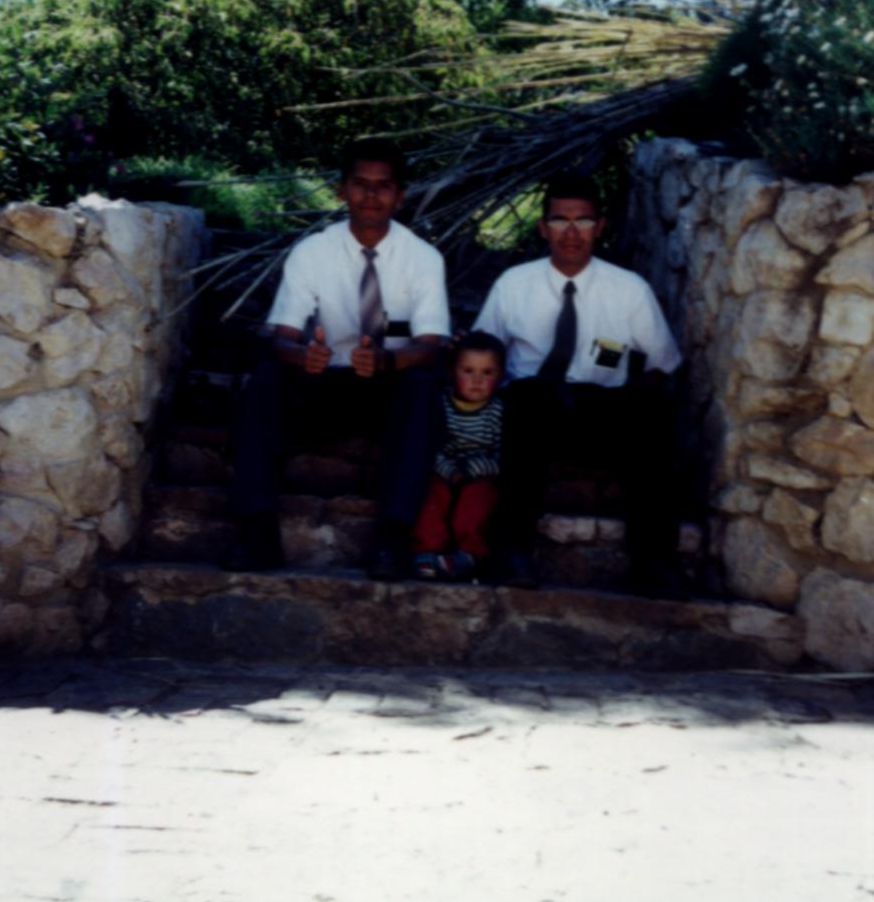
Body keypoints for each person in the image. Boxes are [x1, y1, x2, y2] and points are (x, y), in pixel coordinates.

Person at [223, 137, 448, 579]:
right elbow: (281, 336)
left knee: (422, 388)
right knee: (267, 379)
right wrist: (302, 355)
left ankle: (393, 539)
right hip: (324, 382)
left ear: (400, 196)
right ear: (341, 191)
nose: (371, 195)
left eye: (383, 186)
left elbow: (430, 346)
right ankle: (257, 533)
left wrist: (386, 362)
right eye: (360, 184)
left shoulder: (423, 258)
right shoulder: (313, 252)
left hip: (387, 387)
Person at [472, 171, 683, 594]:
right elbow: (483, 351)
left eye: (583, 221)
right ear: (542, 227)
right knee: (526, 399)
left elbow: (663, 363)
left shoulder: (629, 290)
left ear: (600, 226)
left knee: (656, 412)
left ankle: (653, 563)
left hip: (600, 406)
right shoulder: (514, 285)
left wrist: (635, 398)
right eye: (560, 220)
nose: (572, 233)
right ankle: (513, 553)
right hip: (535, 406)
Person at [410, 331, 506, 582]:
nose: (477, 380)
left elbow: (501, 455)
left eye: (487, 373)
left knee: (478, 499)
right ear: (452, 372)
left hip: (479, 474)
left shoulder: (497, 411)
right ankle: (428, 550)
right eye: (468, 371)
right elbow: (430, 444)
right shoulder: (441, 404)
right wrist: (447, 469)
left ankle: (469, 554)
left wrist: (478, 469)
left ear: (500, 376)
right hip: (445, 470)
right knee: (433, 495)